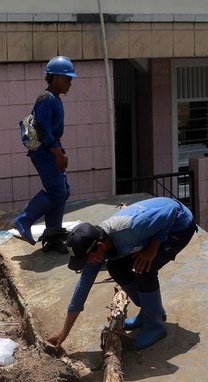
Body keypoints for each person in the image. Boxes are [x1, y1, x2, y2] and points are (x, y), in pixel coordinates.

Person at [46, 197, 198, 350]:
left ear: (100, 246)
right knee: (116, 266)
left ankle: (155, 326)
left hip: (178, 226)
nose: (87, 263)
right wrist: (64, 331)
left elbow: (170, 210)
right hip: (153, 229)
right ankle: (150, 311)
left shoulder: (132, 228)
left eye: (86, 259)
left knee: (145, 268)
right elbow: (82, 289)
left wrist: (152, 249)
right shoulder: (97, 249)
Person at [13, 56, 77, 253]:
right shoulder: (46, 99)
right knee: (56, 191)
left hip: (52, 149)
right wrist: (58, 154)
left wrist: (60, 151)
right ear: (56, 78)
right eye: (68, 79)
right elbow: (43, 128)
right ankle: (23, 221)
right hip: (45, 152)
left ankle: (53, 237)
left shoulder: (54, 99)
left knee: (63, 192)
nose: (70, 83)